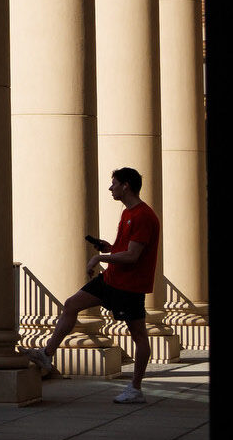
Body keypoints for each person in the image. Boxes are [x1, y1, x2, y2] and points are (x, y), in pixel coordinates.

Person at [30, 166, 160, 403]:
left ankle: (135, 389)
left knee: (139, 336)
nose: (110, 188)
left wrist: (99, 258)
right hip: (111, 279)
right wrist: (108, 248)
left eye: (114, 183)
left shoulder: (143, 216)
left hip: (129, 287)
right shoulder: (127, 214)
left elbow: (133, 257)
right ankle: (47, 354)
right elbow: (125, 250)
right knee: (71, 305)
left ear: (125, 186)